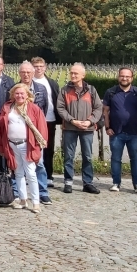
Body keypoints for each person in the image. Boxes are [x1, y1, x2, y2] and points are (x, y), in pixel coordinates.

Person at [0, 83, 48, 214]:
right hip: (12, 144)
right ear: (13, 95)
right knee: (18, 173)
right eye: (17, 93)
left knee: (30, 173)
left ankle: (36, 202)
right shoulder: (7, 107)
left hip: (28, 144)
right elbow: (1, 127)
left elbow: (42, 127)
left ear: (27, 95)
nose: (19, 96)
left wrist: (39, 144)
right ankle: (23, 199)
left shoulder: (34, 109)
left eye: (22, 93)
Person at [56, 63, 103, 195]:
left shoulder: (91, 90)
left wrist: (90, 121)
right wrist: (73, 120)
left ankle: (87, 183)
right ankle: (68, 182)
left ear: (83, 75)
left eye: (76, 73)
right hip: (70, 127)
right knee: (69, 156)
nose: (73, 75)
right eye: (71, 73)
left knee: (87, 156)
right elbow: (60, 108)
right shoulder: (64, 90)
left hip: (87, 129)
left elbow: (98, 107)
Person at [15, 62, 52, 205]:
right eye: (23, 72)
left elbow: (43, 108)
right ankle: (19, 193)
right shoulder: (15, 88)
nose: (26, 74)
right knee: (18, 166)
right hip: (19, 133)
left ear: (33, 73)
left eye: (28, 72)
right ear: (19, 73)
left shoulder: (41, 88)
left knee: (39, 163)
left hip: (34, 132)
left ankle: (42, 193)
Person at [103, 67, 137, 193]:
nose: (124, 78)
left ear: (132, 78)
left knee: (136, 159)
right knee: (116, 159)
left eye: (127, 76)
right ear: (118, 77)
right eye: (122, 76)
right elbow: (105, 111)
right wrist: (107, 127)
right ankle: (116, 183)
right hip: (116, 132)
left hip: (135, 132)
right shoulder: (111, 92)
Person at [31, 57, 61, 184]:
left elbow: (57, 100)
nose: (38, 68)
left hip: (49, 119)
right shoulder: (27, 81)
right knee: (31, 147)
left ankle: (48, 175)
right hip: (31, 121)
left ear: (45, 67)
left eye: (41, 66)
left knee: (48, 148)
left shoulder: (52, 83)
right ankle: (31, 174)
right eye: (36, 66)